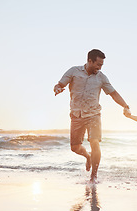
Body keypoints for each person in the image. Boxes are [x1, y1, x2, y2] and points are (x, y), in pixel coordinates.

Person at [54, 49, 129, 182]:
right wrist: (58, 88)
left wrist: (125, 106)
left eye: (101, 65)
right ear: (90, 61)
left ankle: (93, 176)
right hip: (76, 115)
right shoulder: (74, 71)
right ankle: (88, 157)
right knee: (75, 147)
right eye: (98, 64)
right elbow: (59, 84)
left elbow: (114, 94)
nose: (99, 68)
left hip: (94, 114)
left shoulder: (101, 77)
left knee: (95, 142)